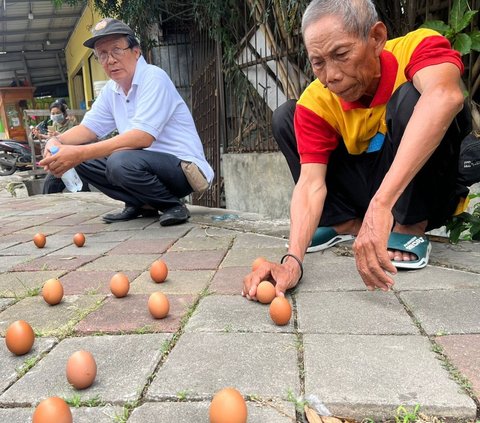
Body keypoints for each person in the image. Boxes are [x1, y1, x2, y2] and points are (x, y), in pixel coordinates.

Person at [243, 0, 471, 299]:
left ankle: (409, 227)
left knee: (413, 98)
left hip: (427, 189)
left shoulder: (417, 47)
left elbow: (446, 96)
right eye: (318, 62)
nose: (331, 76)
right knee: (288, 114)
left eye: (341, 55)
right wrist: (293, 261)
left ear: (376, 38)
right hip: (372, 188)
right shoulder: (319, 99)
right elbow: (310, 182)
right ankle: (347, 224)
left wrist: (382, 205)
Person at [39, 18, 213, 226]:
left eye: (116, 50)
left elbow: (142, 137)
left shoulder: (154, 77)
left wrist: (78, 152)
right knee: (84, 158)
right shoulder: (111, 91)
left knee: (118, 161)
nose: (110, 60)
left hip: (183, 169)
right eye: (102, 54)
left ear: (136, 51)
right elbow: (87, 129)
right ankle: (139, 203)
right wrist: (56, 142)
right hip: (142, 165)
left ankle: (171, 205)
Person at [37, 101, 89, 194]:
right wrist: (42, 135)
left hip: (74, 160)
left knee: (81, 187)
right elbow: (53, 140)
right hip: (59, 160)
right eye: (53, 113)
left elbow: (78, 140)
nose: (55, 115)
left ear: (64, 113)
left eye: (58, 113)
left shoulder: (72, 125)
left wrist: (60, 136)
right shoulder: (54, 125)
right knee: (49, 184)